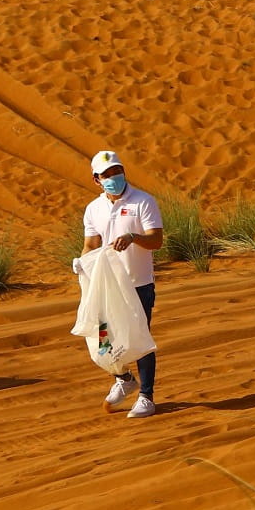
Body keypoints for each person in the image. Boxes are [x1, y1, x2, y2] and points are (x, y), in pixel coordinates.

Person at [77, 150, 164, 418]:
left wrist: (133, 237)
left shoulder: (143, 202)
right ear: (96, 180)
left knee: (139, 338)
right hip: (108, 286)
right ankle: (124, 378)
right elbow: (91, 245)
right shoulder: (93, 209)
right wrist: (81, 264)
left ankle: (146, 396)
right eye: (107, 175)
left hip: (138, 284)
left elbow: (156, 240)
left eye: (117, 171)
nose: (114, 177)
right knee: (105, 340)